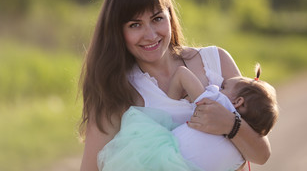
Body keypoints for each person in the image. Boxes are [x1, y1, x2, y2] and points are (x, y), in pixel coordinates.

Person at [79, 0, 271, 171]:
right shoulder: (116, 89)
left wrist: (230, 125)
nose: (151, 35)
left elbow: (261, 154)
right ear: (117, 31)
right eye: (135, 25)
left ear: (169, 16)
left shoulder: (216, 61)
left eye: (157, 19)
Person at [97, 63, 279, 171]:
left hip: (161, 155)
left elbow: (182, 73)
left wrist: (172, 100)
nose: (217, 87)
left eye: (223, 86)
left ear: (238, 102)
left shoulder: (218, 103)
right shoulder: (241, 155)